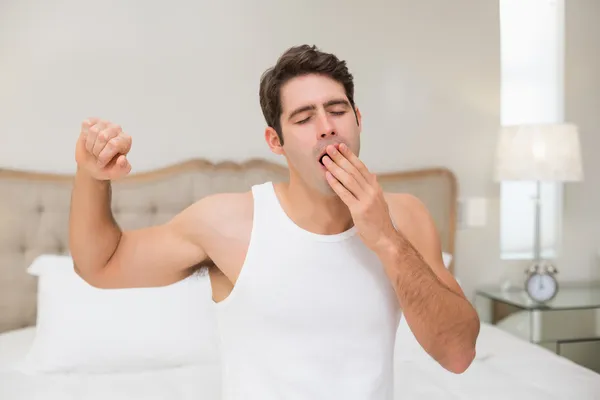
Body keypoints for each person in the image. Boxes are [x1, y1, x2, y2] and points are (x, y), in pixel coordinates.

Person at [69, 44, 480, 399]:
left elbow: (458, 353)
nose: (326, 128)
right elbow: (101, 264)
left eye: (337, 110)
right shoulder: (227, 222)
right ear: (275, 141)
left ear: (357, 119)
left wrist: (386, 239)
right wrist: (91, 175)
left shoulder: (405, 216)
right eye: (303, 118)